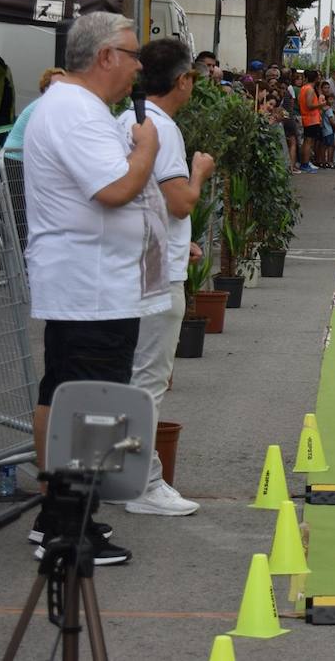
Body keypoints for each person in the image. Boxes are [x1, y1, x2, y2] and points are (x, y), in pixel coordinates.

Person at [24, 12, 172, 565]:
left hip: (89, 284)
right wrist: (146, 150)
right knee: (91, 405)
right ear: (107, 56)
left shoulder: (75, 107)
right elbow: (114, 188)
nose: (139, 67)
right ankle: (69, 528)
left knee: (67, 397)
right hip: (92, 288)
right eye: (134, 55)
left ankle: (60, 518)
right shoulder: (75, 111)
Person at [114, 38, 214, 516]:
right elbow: (178, 201)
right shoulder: (164, 129)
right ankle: (143, 484)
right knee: (148, 380)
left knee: (127, 376)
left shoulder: (125, 120)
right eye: (193, 76)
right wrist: (199, 173)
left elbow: (140, 198)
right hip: (154, 278)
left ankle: (122, 474)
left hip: (130, 264)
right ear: (182, 80)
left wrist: (180, 241)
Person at [4, 66, 66, 159]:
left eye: (64, 84)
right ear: (45, 87)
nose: (61, 88)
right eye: (56, 85)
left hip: (17, 156)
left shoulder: (47, 103)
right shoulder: (46, 104)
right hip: (15, 158)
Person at [297, 69, 325, 173]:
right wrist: (320, 105)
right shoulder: (310, 89)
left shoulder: (304, 88)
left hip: (308, 118)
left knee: (307, 142)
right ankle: (305, 163)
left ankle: (305, 162)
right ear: (315, 78)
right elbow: (309, 105)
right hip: (311, 118)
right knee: (308, 142)